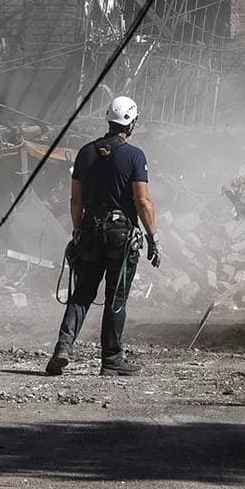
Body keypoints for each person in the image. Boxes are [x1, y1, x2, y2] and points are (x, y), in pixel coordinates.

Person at [46, 95, 159, 376]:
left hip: (90, 232)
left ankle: (63, 347)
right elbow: (142, 201)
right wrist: (153, 237)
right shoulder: (135, 156)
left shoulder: (85, 153)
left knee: (82, 293)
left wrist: (77, 232)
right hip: (120, 236)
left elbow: (75, 201)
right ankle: (111, 359)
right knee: (116, 298)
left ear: (108, 119)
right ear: (131, 123)